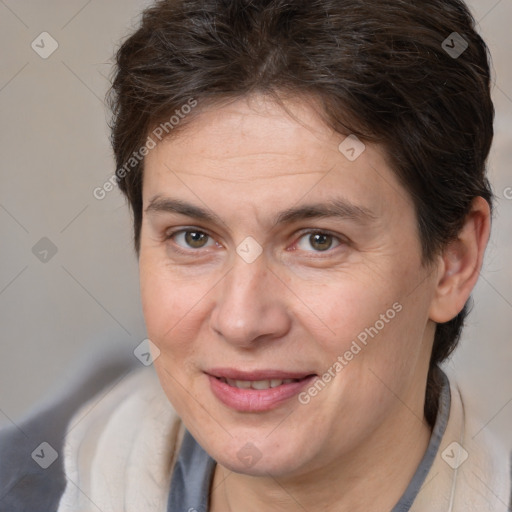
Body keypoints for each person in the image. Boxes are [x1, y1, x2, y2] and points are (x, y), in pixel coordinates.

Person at [1, 0, 510, 510]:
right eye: (193, 237)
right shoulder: (28, 489)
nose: (242, 321)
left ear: (453, 262)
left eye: (318, 240)